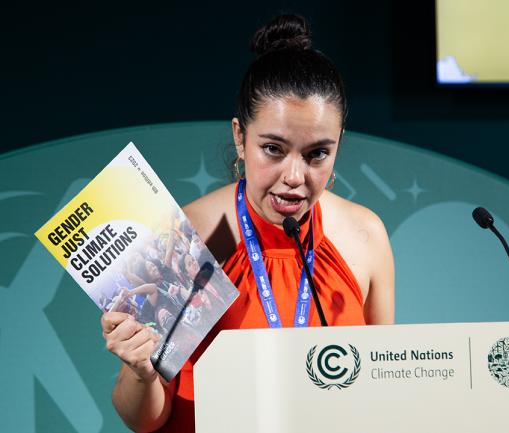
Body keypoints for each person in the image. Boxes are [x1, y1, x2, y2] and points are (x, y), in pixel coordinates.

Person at [100, 13, 394, 432]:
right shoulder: (185, 238)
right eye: (273, 149)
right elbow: (146, 421)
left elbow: (384, 395)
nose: (295, 177)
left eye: (317, 155)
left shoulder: (366, 237)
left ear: (338, 147)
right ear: (240, 137)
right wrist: (141, 371)